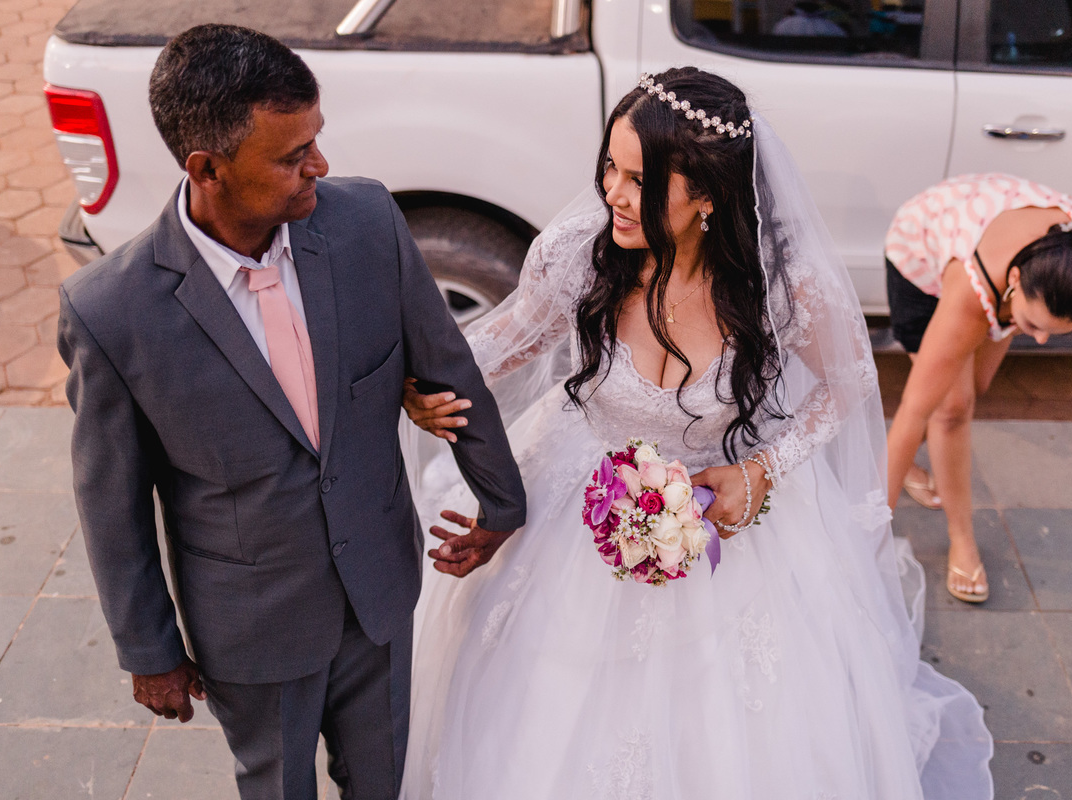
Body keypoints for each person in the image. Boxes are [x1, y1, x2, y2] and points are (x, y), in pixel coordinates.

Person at [399, 67, 993, 799]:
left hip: (722, 512)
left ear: (708, 195)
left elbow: (846, 386)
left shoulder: (782, 281)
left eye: (638, 179)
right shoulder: (584, 253)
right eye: (609, 167)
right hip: (571, 488)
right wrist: (421, 386)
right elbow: (498, 344)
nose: (612, 193)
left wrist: (763, 471)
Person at [56, 24, 525, 800]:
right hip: (251, 628)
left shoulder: (368, 224)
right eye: (290, 156)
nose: (321, 165)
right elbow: (111, 503)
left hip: (379, 588)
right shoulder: (112, 311)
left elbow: (448, 368)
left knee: (386, 780)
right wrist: (149, 650)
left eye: (317, 139)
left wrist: (501, 503)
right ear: (208, 169)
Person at [884, 174, 1072, 602]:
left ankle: (913, 467)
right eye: (1031, 325)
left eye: (1055, 331)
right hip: (921, 249)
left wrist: (1024, 319)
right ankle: (962, 538)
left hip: (997, 241)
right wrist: (870, 530)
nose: (1041, 340)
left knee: (973, 387)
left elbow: (1044, 302)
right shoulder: (971, 296)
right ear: (1015, 279)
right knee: (950, 409)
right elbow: (911, 410)